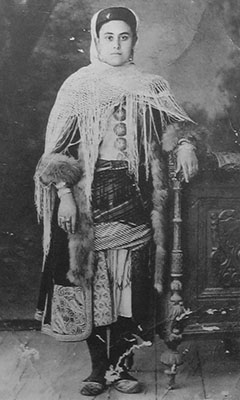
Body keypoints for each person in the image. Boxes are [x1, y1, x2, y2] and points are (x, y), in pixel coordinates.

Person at [34, 6, 199, 396]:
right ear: (96, 40)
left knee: (131, 287)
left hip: (135, 195)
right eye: (108, 37)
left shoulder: (152, 85)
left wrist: (187, 144)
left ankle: (121, 369)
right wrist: (65, 198)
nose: (116, 44)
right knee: (93, 284)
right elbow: (57, 154)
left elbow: (176, 125)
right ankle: (97, 370)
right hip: (87, 197)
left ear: (134, 41)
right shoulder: (79, 87)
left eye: (124, 37)